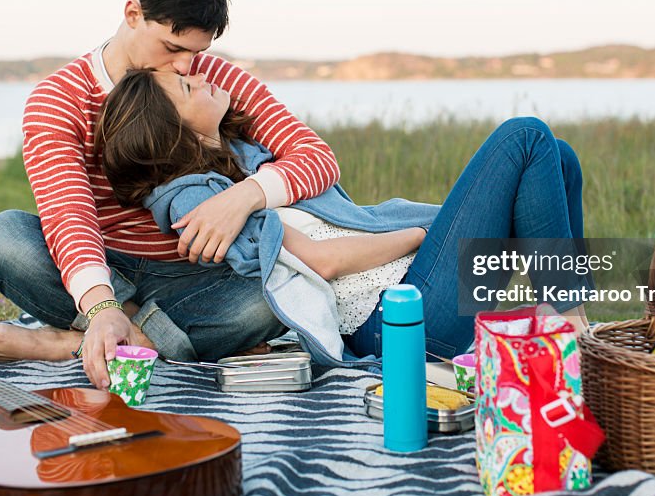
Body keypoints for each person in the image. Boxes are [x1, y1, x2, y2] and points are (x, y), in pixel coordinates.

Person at [0, 0, 343, 390]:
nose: (186, 66)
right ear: (132, 14)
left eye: (195, 52)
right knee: (5, 239)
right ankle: (129, 330)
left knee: (277, 298)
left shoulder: (212, 79)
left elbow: (318, 159)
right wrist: (103, 306)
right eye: (172, 47)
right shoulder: (58, 98)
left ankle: (71, 343)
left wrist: (244, 197)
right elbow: (69, 215)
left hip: (201, 276)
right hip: (109, 265)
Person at [91, 68, 592, 368]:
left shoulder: (246, 166)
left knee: (559, 157)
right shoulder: (203, 205)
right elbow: (324, 261)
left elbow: (316, 159)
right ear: (174, 131)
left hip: (415, 290)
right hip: (394, 319)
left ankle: (570, 322)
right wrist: (424, 234)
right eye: (185, 86)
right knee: (524, 136)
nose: (201, 76)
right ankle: (571, 329)